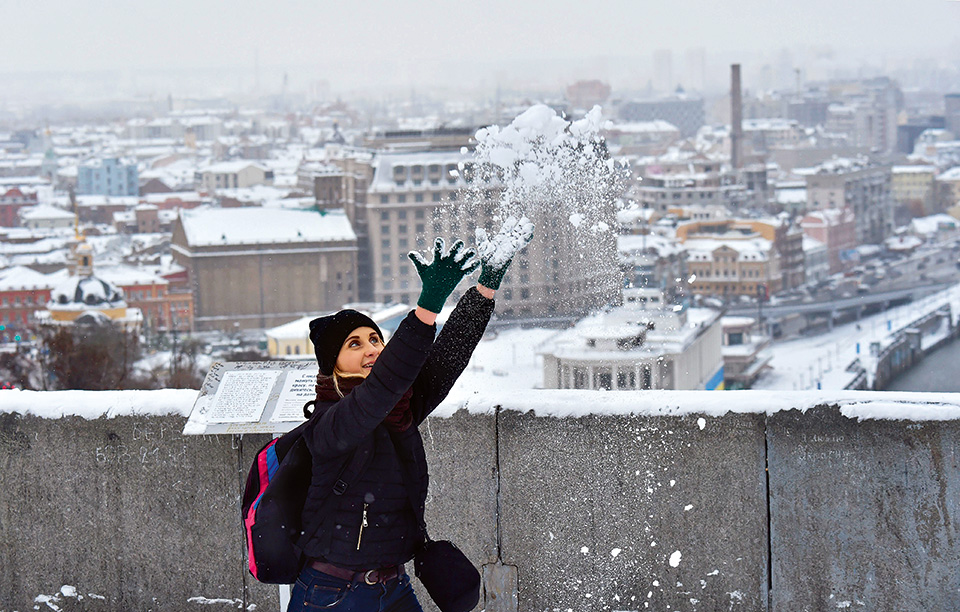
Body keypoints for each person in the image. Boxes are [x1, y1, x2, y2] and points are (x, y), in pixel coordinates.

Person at [287, 217, 534, 612]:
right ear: (332, 365)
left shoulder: (399, 409)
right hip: (332, 595)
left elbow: (446, 360)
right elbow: (381, 388)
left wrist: (484, 287)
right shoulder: (331, 424)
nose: (371, 349)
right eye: (354, 344)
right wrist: (427, 307)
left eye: (375, 339)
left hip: (394, 586)